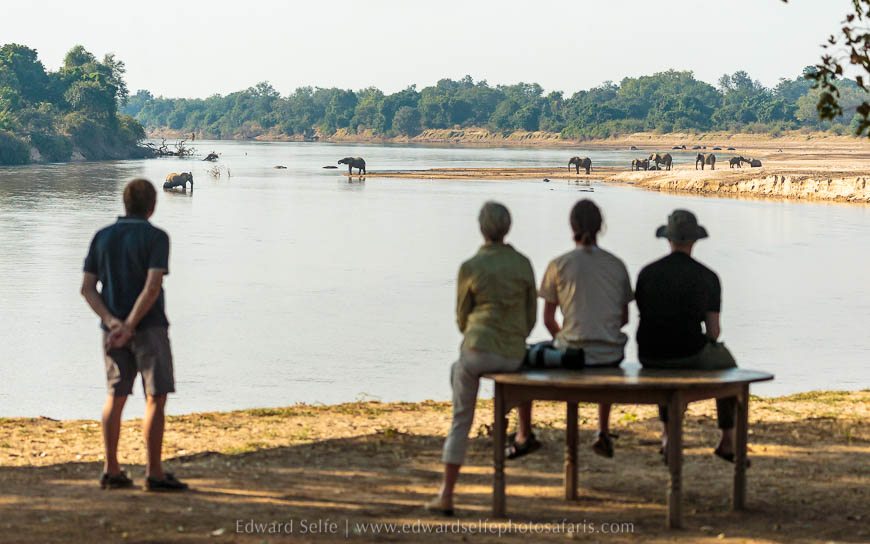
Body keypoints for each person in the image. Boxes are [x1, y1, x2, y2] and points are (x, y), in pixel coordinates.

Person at [425, 201, 537, 515]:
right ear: (508, 228)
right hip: (513, 355)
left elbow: (462, 320)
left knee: (460, 420)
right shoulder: (523, 264)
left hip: (475, 351)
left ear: (481, 228)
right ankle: (518, 435)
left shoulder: (470, 266)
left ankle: (447, 494)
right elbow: (531, 319)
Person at [80, 178, 188, 491]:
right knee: (155, 397)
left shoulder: (102, 237)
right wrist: (130, 324)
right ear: (152, 206)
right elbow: (152, 286)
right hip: (150, 328)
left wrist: (113, 322)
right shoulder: (157, 238)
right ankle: (154, 473)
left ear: (124, 203)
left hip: (111, 333)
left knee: (116, 396)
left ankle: (111, 469)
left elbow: (87, 289)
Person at [524, 199, 632, 458]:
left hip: (572, 354)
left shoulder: (559, 264)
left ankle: (524, 434)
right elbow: (624, 318)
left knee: (526, 356)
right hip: (611, 355)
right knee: (601, 359)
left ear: (571, 225)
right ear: (600, 227)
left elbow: (548, 319)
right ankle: (603, 431)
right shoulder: (616, 264)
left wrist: (565, 337)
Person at [635, 209, 739, 463]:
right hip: (689, 352)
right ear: (694, 241)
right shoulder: (708, 277)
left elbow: (646, 316)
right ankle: (727, 439)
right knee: (728, 367)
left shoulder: (647, 273)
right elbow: (714, 332)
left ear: (668, 239)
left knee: (664, 355)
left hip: (650, 354)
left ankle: (668, 435)